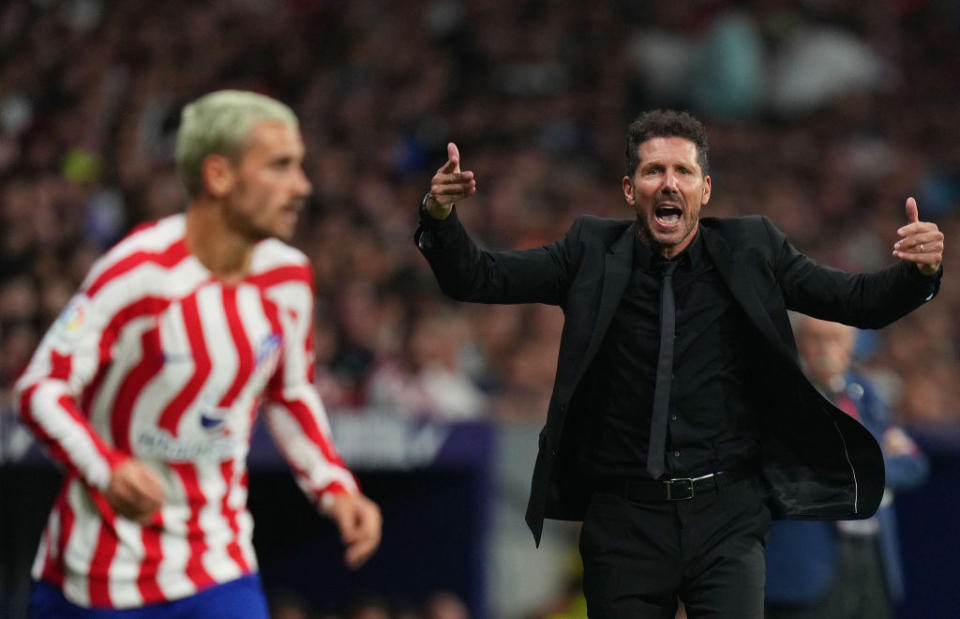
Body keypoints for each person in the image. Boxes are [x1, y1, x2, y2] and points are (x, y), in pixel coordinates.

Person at [414, 109, 944, 618]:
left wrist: (919, 274)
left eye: (683, 171)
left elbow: (855, 301)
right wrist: (440, 218)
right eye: (653, 170)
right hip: (624, 521)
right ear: (630, 189)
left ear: (704, 190)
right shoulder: (589, 252)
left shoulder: (753, 248)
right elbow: (477, 278)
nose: (669, 183)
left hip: (728, 517)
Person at [16, 90, 382, 617]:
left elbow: (289, 390)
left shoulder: (288, 278)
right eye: (280, 167)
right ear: (218, 176)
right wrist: (108, 469)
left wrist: (335, 488)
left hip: (217, 565)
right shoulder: (138, 273)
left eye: (299, 166)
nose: (302, 186)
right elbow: (39, 390)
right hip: (97, 575)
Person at [765, 315, 928, 619]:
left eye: (837, 339)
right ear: (797, 342)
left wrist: (853, 471)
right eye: (816, 339)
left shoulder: (863, 392)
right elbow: (794, 472)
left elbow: (913, 464)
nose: (827, 349)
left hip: (868, 558)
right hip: (805, 565)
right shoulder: (778, 396)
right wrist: (871, 462)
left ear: (852, 343)